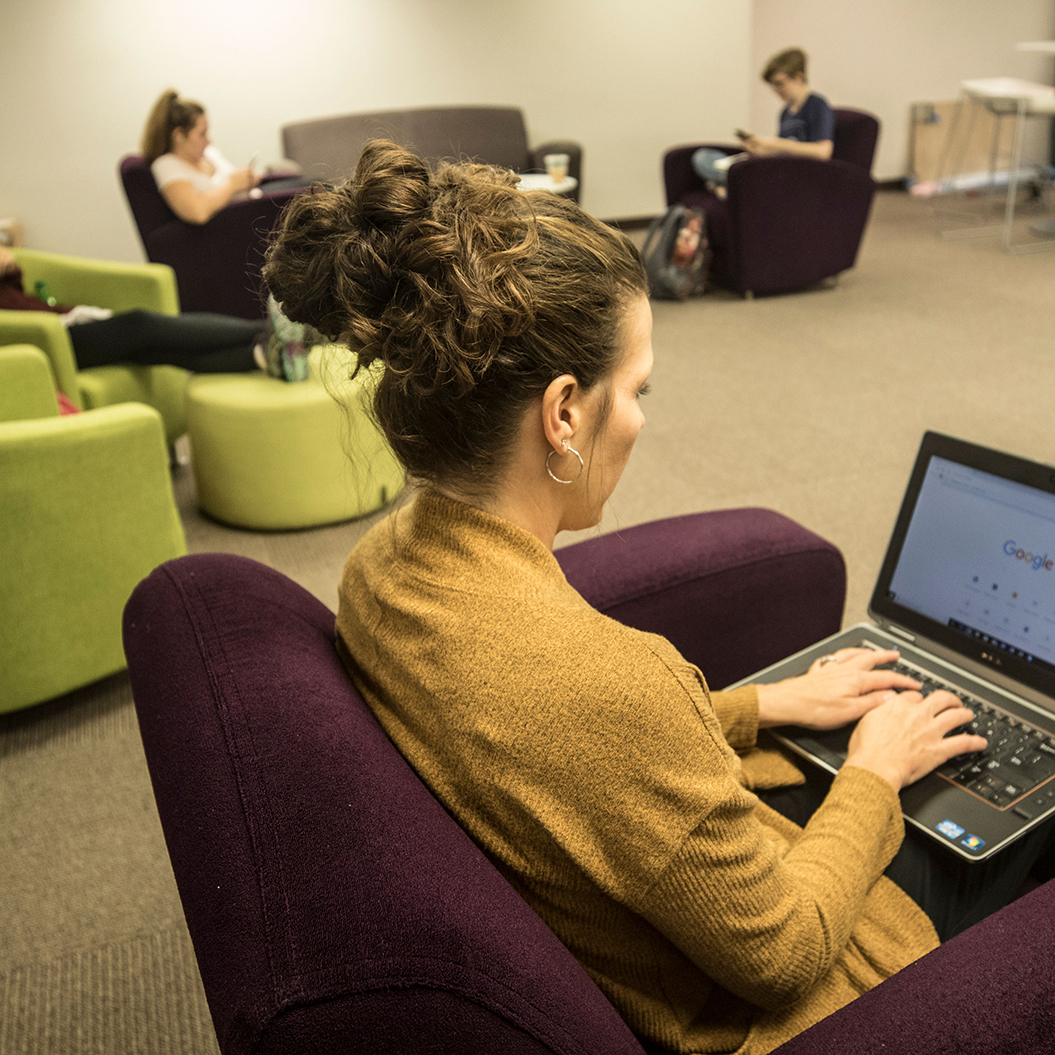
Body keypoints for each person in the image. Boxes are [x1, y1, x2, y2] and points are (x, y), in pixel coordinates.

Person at [262, 140, 1055, 1055]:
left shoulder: (382, 571)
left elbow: (570, 754)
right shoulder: (612, 682)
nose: (641, 417)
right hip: (794, 998)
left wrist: (768, 705)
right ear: (563, 413)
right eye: (637, 388)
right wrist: (875, 770)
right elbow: (783, 953)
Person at [693, 47, 836, 190]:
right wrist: (760, 148)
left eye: (779, 83)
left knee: (741, 172)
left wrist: (776, 143)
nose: (776, 90)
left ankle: (726, 185)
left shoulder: (817, 105)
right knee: (703, 157)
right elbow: (781, 153)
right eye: (772, 85)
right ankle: (729, 184)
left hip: (796, 175)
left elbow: (823, 152)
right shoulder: (785, 112)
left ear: (799, 78)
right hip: (778, 167)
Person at [141, 89, 261, 225]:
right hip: (242, 224)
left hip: (256, 204)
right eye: (202, 134)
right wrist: (232, 184)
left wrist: (247, 180)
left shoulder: (208, 153)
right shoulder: (166, 165)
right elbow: (198, 212)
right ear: (179, 136)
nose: (209, 141)